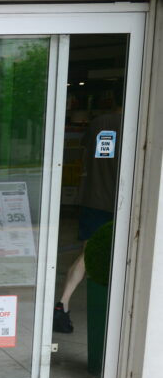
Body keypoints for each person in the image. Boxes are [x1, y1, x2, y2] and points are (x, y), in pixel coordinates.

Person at [53, 99, 122, 334]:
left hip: (94, 198)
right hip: (122, 202)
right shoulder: (136, 123)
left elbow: (86, 154)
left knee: (87, 254)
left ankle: (63, 303)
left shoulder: (98, 123)